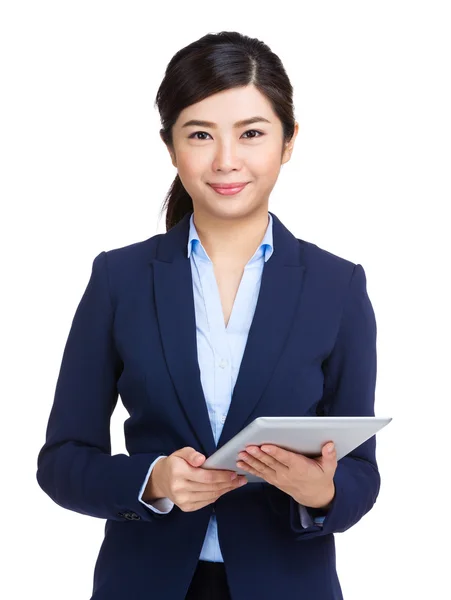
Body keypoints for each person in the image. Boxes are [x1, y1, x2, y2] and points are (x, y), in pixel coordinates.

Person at [36, 30, 381, 600]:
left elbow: (362, 475)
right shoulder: (118, 279)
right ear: (171, 146)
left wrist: (320, 491)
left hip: (288, 585)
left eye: (251, 134)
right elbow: (62, 461)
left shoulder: (337, 286)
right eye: (200, 134)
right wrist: (154, 481)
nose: (226, 160)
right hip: (144, 583)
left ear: (288, 141)